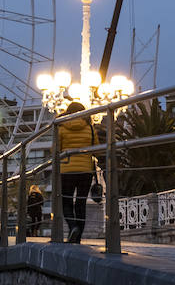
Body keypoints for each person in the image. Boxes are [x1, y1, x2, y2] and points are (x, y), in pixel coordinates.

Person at [58, 101, 96, 244]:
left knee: (66, 201)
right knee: (81, 203)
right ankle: (77, 238)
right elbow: (95, 146)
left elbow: (55, 148)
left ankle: (73, 226)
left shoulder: (61, 127)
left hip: (66, 169)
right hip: (85, 170)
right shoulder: (90, 128)